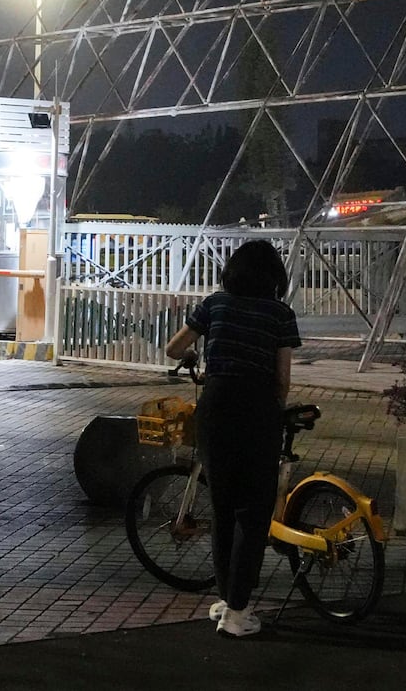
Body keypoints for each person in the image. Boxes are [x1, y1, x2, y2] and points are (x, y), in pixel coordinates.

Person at [164, 240, 301, 638]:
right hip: (256, 410)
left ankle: (227, 601)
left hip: (216, 406)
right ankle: (239, 613)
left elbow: (174, 348)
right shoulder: (280, 315)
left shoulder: (215, 305)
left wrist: (198, 361)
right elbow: (283, 380)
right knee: (253, 511)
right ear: (275, 276)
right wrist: (273, 409)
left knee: (222, 507)